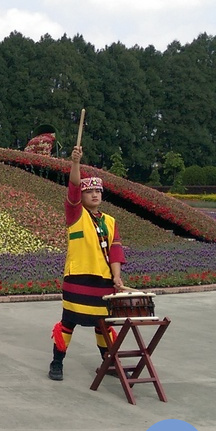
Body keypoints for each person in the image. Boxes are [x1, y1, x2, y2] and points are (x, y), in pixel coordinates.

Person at [48, 144, 127, 381]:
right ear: (81, 197)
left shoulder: (111, 222)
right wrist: (75, 163)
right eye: (89, 192)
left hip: (103, 282)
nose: (95, 195)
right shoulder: (75, 214)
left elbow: (115, 252)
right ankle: (57, 362)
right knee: (69, 321)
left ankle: (108, 361)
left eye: (98, 192)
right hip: (77, 278)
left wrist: (117, 276)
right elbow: (72, 186)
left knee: (102, 324)